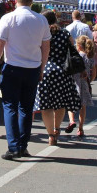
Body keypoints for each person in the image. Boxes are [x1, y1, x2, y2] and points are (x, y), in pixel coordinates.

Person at [0, 0, 50, 160]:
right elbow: (46, 47)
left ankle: (14, 147)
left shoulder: (8, 18)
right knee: (26, 108)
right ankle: (22, 145)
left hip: (13, 67)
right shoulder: (41, 20)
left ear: (16, 0)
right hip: (32, 68)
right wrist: (42, 68)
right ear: (32, 0)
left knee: (10, 106)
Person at [35, 10, 84, 146]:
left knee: (46, 105)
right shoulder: (64, 33)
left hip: (45, 70)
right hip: (63, 72)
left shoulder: (41, 33)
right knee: (60, 103)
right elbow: (72, 49)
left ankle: (50, 135)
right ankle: (57, 129)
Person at [73, 34, 94, 138]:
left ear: (79, 45)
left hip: (75, 83)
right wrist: (90, 80)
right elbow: (93, 72)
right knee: (83, 106)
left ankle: (72, 120)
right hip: (84, 83)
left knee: (70, 105)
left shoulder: (76, 56)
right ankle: (80, 128)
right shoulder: (89, 57)